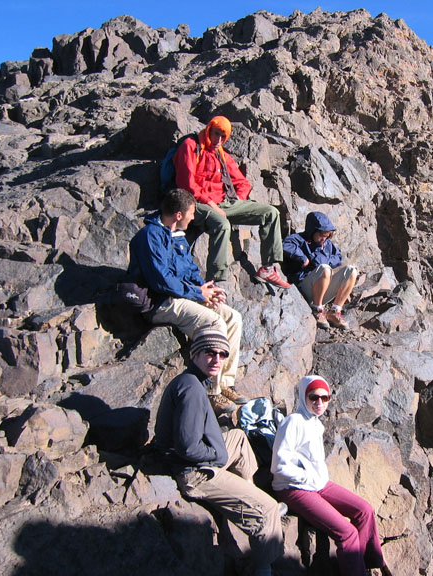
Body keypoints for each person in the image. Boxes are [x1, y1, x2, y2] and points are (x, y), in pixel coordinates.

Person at [153, 329, 284, 576]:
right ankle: (263, 567)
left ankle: (248, 493)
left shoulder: (192, 380)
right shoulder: (191, 389)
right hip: (194, 473)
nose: (217, 359)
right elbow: (187, 447)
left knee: (238, 437)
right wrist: (217, 457)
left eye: (222, 354)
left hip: (195, 459)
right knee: (268, 510)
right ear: (195, 354)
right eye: (209, 352)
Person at [128, 188, 246, 413]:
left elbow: (189, 269)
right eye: (191, 214)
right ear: (179, 215)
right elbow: (160, 281)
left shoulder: (177, 236)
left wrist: (206, 288)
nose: (194, 218)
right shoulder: (150, 237)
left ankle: (225, 382)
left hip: (182, 295)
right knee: (215, 323)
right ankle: (212, 392)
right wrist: (198, 294)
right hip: (160, 301)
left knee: (232, 317)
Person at [271, 376, 394, 576]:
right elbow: (278, 467)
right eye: (313, 397)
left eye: (324, 398)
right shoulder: (293, 422)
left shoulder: (315, 423)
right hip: (293, 488)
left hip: (317, 484)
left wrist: (315, 480)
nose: (319, 403)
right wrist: (308, 478)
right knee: (347, 533)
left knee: (365, 510)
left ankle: (366, 562)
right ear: (304, 396)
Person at [174, 115, 290, 288]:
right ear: (208, 130)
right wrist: (211, 204)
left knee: (271, 213)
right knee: (222, 224)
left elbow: (242, 183)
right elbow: (187, 185)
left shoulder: (221, 154)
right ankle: (216, 280)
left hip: (223, 203)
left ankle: (268, 268)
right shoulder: (191, 147)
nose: (219, 140)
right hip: (195, 203)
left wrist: (237, 202)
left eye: (223, 136)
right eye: (215, 134)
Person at [282, 212, 358, 330]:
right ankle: (317, 310)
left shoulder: (327, 244)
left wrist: (320, 260)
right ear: (313, 230)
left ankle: (335, 311)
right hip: (303, 289)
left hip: (322, 289)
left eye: (327, 235)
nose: (324, 238)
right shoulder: (298, 239)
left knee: (351, 271)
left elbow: (338, 258)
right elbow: (285, 245)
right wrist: (303, 258)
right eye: (322, 234)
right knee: (325, 269)